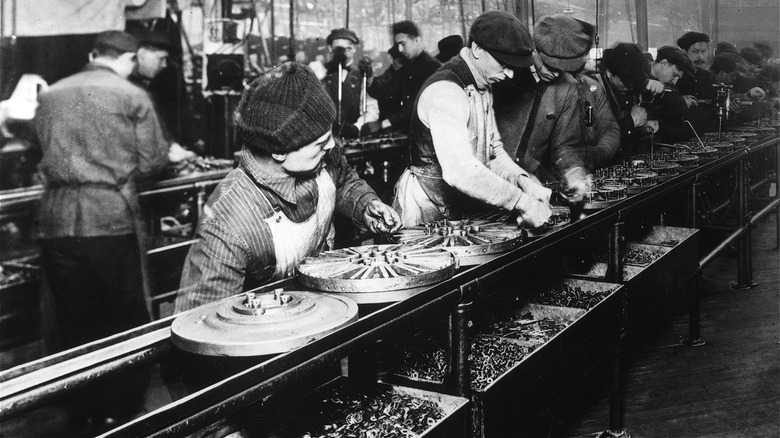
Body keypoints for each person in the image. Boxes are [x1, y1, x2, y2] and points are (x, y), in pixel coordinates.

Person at [175, 62, 401, 312]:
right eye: (320, 142)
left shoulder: (318, 156)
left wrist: (365, 204)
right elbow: (202, 323)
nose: (331, 146)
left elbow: (341, 177)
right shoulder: (229, 224)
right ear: (280, 152)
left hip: (323, 313)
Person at [32, 30, 170, 431]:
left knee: (73, 320)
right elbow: (152, 161)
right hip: (109, 219)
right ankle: (118, 410)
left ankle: (80, 409)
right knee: (120, 319)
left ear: (93, 55)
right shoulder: (131, 95)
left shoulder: (50, 93)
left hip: (56, 219)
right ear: (127, 60)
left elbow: (37, 149)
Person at [393, 10, 551, 227]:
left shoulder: (484, 82)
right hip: (426, 209)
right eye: (504, 64)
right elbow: (460, 171)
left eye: (513, 66)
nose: (510, 74)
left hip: (459, 206)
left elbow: (493, 152)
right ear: (477, 50)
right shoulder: (446, 91)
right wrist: (521, 201)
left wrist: (522, 181)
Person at [495, 14, 617, 201]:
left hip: (530, 184)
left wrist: (574, 172)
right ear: (534, 50)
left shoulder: (567, 87)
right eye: (549, 65)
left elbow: (564, 145)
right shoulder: (502, 77)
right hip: (492, 177)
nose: (554, 73)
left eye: (561, 68)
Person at [363, 20, 441, 135]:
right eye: (397, 45)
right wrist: (369, 76)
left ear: (417, 40)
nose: (399, 50)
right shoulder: (406, 68)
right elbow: (386, 93)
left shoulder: (432, 67)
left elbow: (415, 105)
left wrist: (383, 124)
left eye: (403, 44)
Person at [589, 42, 665, 161]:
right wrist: (632, 121)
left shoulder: (635, 82)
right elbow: (593, 138)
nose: (631, 87)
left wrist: (655, 85)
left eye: (635, 82)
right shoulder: (592, 89)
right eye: (626, 83)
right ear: (609, 73)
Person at [130, 30, 196, 161]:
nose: (164, 65)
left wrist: (173, 146)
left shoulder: (146, 85)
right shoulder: (127, 88)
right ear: (142, 55)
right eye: (161, 58)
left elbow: (156, 122)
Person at [321, 28, 379, 139]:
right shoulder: (321, 73)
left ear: (354, 49)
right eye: (339, 49)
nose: (344, 53)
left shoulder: (362, 75)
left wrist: (357, 127)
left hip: (353, 137)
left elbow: (371, 109)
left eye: (349, 48)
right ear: (330, 48)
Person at [644, 46, 696, 143]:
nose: (675, 82)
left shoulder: (668, 84)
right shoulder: (638, 75)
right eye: (675, 75)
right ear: (663, 63)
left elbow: (679, 112)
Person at [676, 31, 719, 132]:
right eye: (695, 52)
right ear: (683, 52)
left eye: (703, 51)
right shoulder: (675, 76)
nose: (701, 57)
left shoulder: (710, 77)